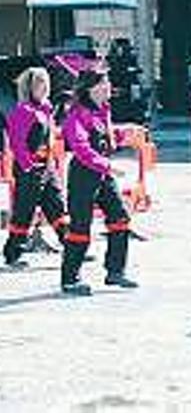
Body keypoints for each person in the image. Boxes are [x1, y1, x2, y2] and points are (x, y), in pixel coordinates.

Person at [60, 69, 137, 296]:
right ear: (89, 88)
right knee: (80, 228)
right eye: (103, 83)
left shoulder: (103, 110)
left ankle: (115, 272)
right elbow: (82, 149)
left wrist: (122, 136)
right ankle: (70, 279)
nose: (108, 87)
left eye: (108, 82)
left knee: (120, 218)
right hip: (84, 175)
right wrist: (109, 166)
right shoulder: (76, 115)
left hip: (102, 174)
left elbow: (104, 138)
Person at [2, 67, 71, 268]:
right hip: (29, 168)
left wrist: (50, 165)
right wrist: (28, 166)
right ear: (29, 87)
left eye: (45, 82)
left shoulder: (46, 108)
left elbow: (50, 137)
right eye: (38, 83)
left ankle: (72, 245)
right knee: (25, 210)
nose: (43, 86)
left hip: (46, 167)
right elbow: (17, 142)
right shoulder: (23, 111)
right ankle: (13, 253)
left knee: (57, 205)